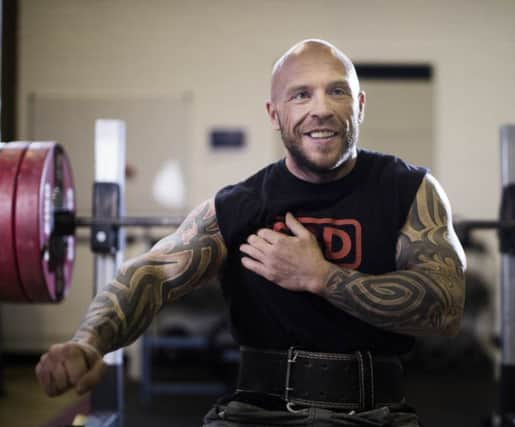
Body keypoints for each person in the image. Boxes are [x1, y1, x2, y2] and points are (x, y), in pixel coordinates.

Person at [36, 39, 466, 426]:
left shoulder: (409, 189)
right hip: (258, 414)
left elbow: (446, 303)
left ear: (360, 104)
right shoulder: (242, 204)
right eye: (301, 95)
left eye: (338, 91)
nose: (321, 108)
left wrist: (321, 277)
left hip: (376, 414)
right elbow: (151, 275)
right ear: (274, 114)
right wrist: (88, 344)